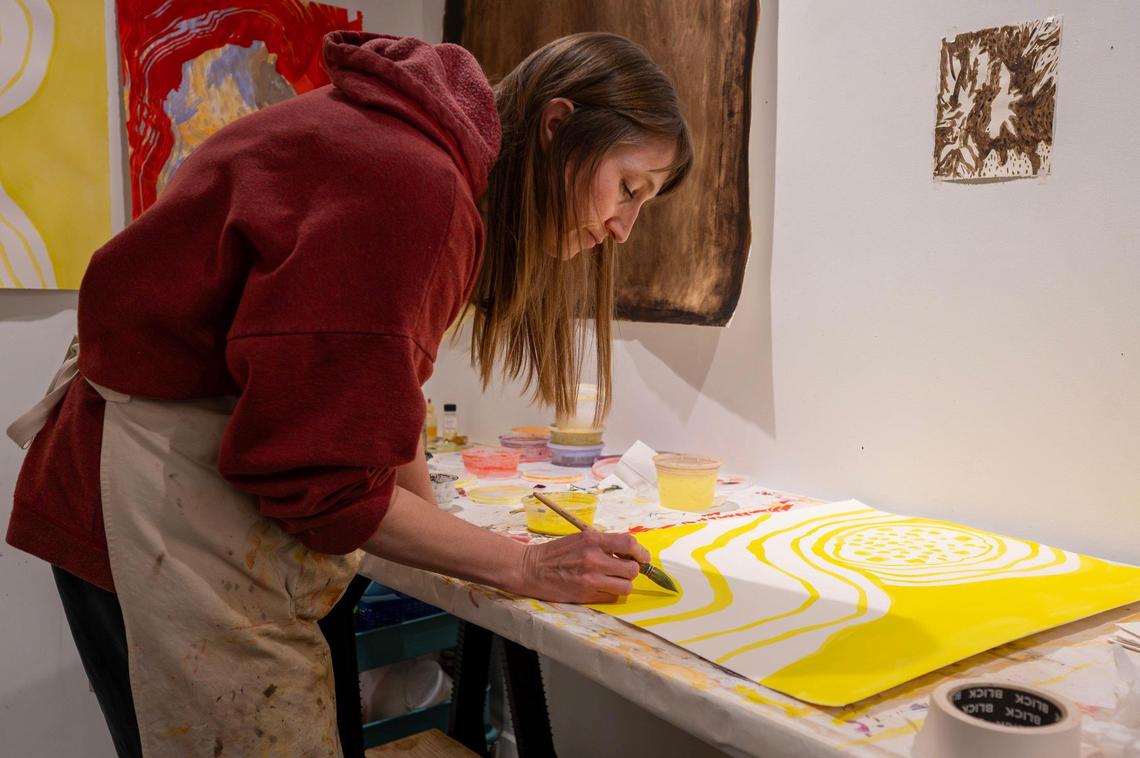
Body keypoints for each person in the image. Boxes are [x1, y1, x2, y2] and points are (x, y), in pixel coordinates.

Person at [6, 29, 692, 757]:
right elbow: (326, 487)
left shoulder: (425, 152)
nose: (624, 228)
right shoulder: (415, 182)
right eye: (629, 188)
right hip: (144, 504)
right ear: (558, 126)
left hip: (179, 473)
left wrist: (439, 534)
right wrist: (523, 565)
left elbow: (378, 396)